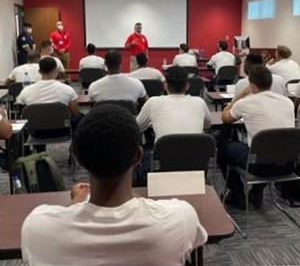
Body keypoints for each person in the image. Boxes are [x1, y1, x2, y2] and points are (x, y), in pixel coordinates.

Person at [21, 104, 207, 266]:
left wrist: (77, 202)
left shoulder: (37, 226)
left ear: (79, 159)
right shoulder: (180, 217)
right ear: (138, 156)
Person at [219, 66, 295, 209]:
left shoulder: (246, 102)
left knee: (223, 147)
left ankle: (237, 195)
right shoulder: (288, 102)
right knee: (269, 149)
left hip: (260, 166)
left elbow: (225, 118)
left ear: (252, 85)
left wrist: (240, 95)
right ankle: (256, 190)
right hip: (288, 165)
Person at [136, 66, 211, 142]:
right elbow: (207, 125)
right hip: (196, 153)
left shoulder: (153, 102)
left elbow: (137, 127)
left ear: (165, 86)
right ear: (187, 86)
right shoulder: (200, 102)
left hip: (163, 153)